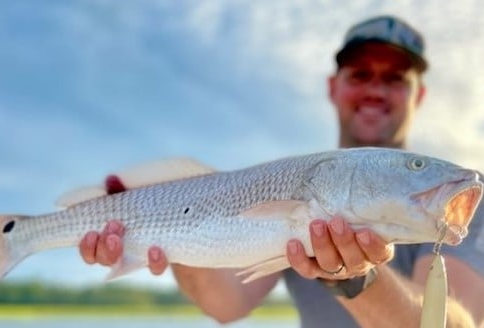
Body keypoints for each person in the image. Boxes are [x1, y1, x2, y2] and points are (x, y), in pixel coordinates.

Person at [78, 15, 484, 327]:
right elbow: (225, 304)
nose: (375, 89)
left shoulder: (451, 196)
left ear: (420, 94)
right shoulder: (297, 184)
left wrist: (356, 277)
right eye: (360, 75)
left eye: (395, 79)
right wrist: (162, 227)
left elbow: (463, 324)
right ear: (333, 87)